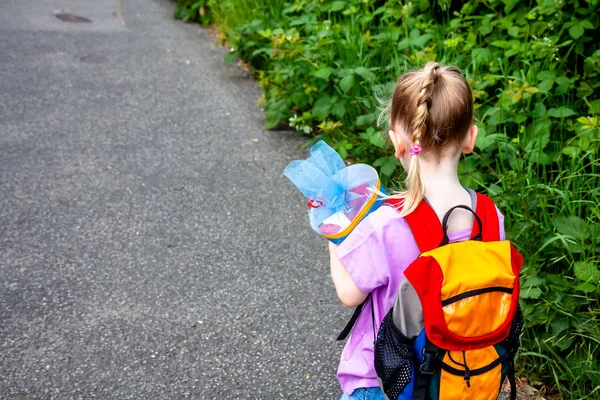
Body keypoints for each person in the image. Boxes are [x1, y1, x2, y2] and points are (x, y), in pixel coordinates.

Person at [328, 61, 506, 400]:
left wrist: (336, 238)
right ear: (470, 138)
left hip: (388, 381)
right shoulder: (490, 216)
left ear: (397, 143)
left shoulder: (385, 224)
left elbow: (350, 293)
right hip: (466, 378)